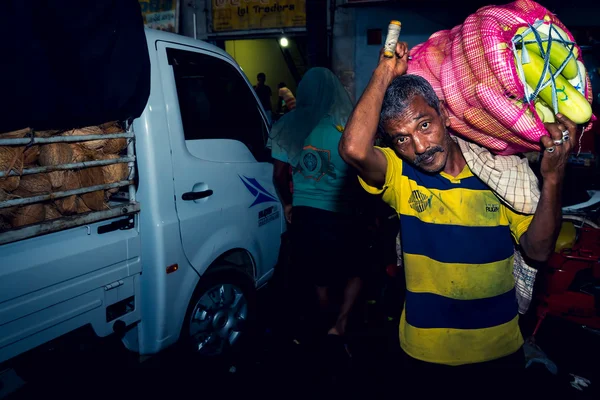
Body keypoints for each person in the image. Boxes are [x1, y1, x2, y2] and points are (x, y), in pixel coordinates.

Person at [339, 42, 575, 396]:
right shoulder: (402, 177)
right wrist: (384, 71)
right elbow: (354, 149)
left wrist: (553, 178)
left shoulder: (499, 174)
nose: (419, 147)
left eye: (424, 125)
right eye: (401, 138)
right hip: (423, 356)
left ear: (445, 116)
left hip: (498, 352)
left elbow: (539, 250)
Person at [270, 67, 367, 357]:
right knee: (358, 268)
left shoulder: (288, 125)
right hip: (342, 212)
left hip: (305, 216)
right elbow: (360, 172)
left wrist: (288, 202)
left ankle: (326, 327)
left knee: (319, 279)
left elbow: (278, 175)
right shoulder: (345, 125)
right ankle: (341, 323)